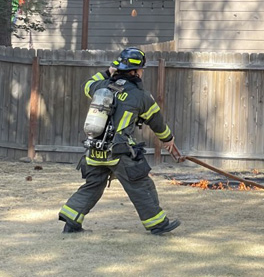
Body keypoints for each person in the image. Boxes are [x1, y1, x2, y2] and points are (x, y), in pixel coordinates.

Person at [57, 47, 183, 234]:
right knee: (141, 185)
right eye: (140, 69)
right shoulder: (140, 96)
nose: (141, 72)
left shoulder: (102, 87)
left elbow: (87, 84)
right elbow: (157, 122)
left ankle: (71, 220)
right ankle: (157, 224)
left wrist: (108, 72)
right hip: (119, 151)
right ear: (134, 72)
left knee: (93, 185)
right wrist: (168, 139)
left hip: (94, 150)